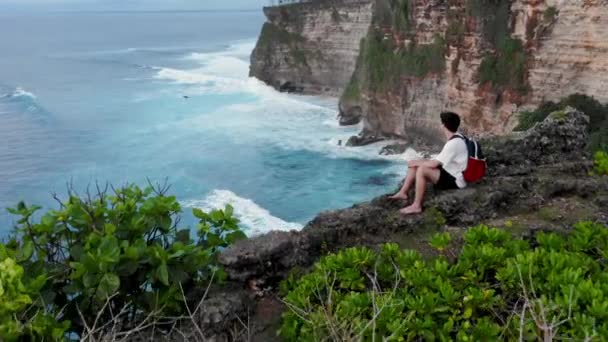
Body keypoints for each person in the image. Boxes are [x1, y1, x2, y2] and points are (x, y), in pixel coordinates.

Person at [390, 111, 468, 215]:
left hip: (456, 180)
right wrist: (415, 162)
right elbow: (439, 161)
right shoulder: (459, 137)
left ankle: (416, 206)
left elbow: (434, 164)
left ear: (443, 125)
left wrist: (417, 163)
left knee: (421, 169)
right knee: (416, 164)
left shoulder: (453, 143)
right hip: (452, 170)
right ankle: (403, 192)